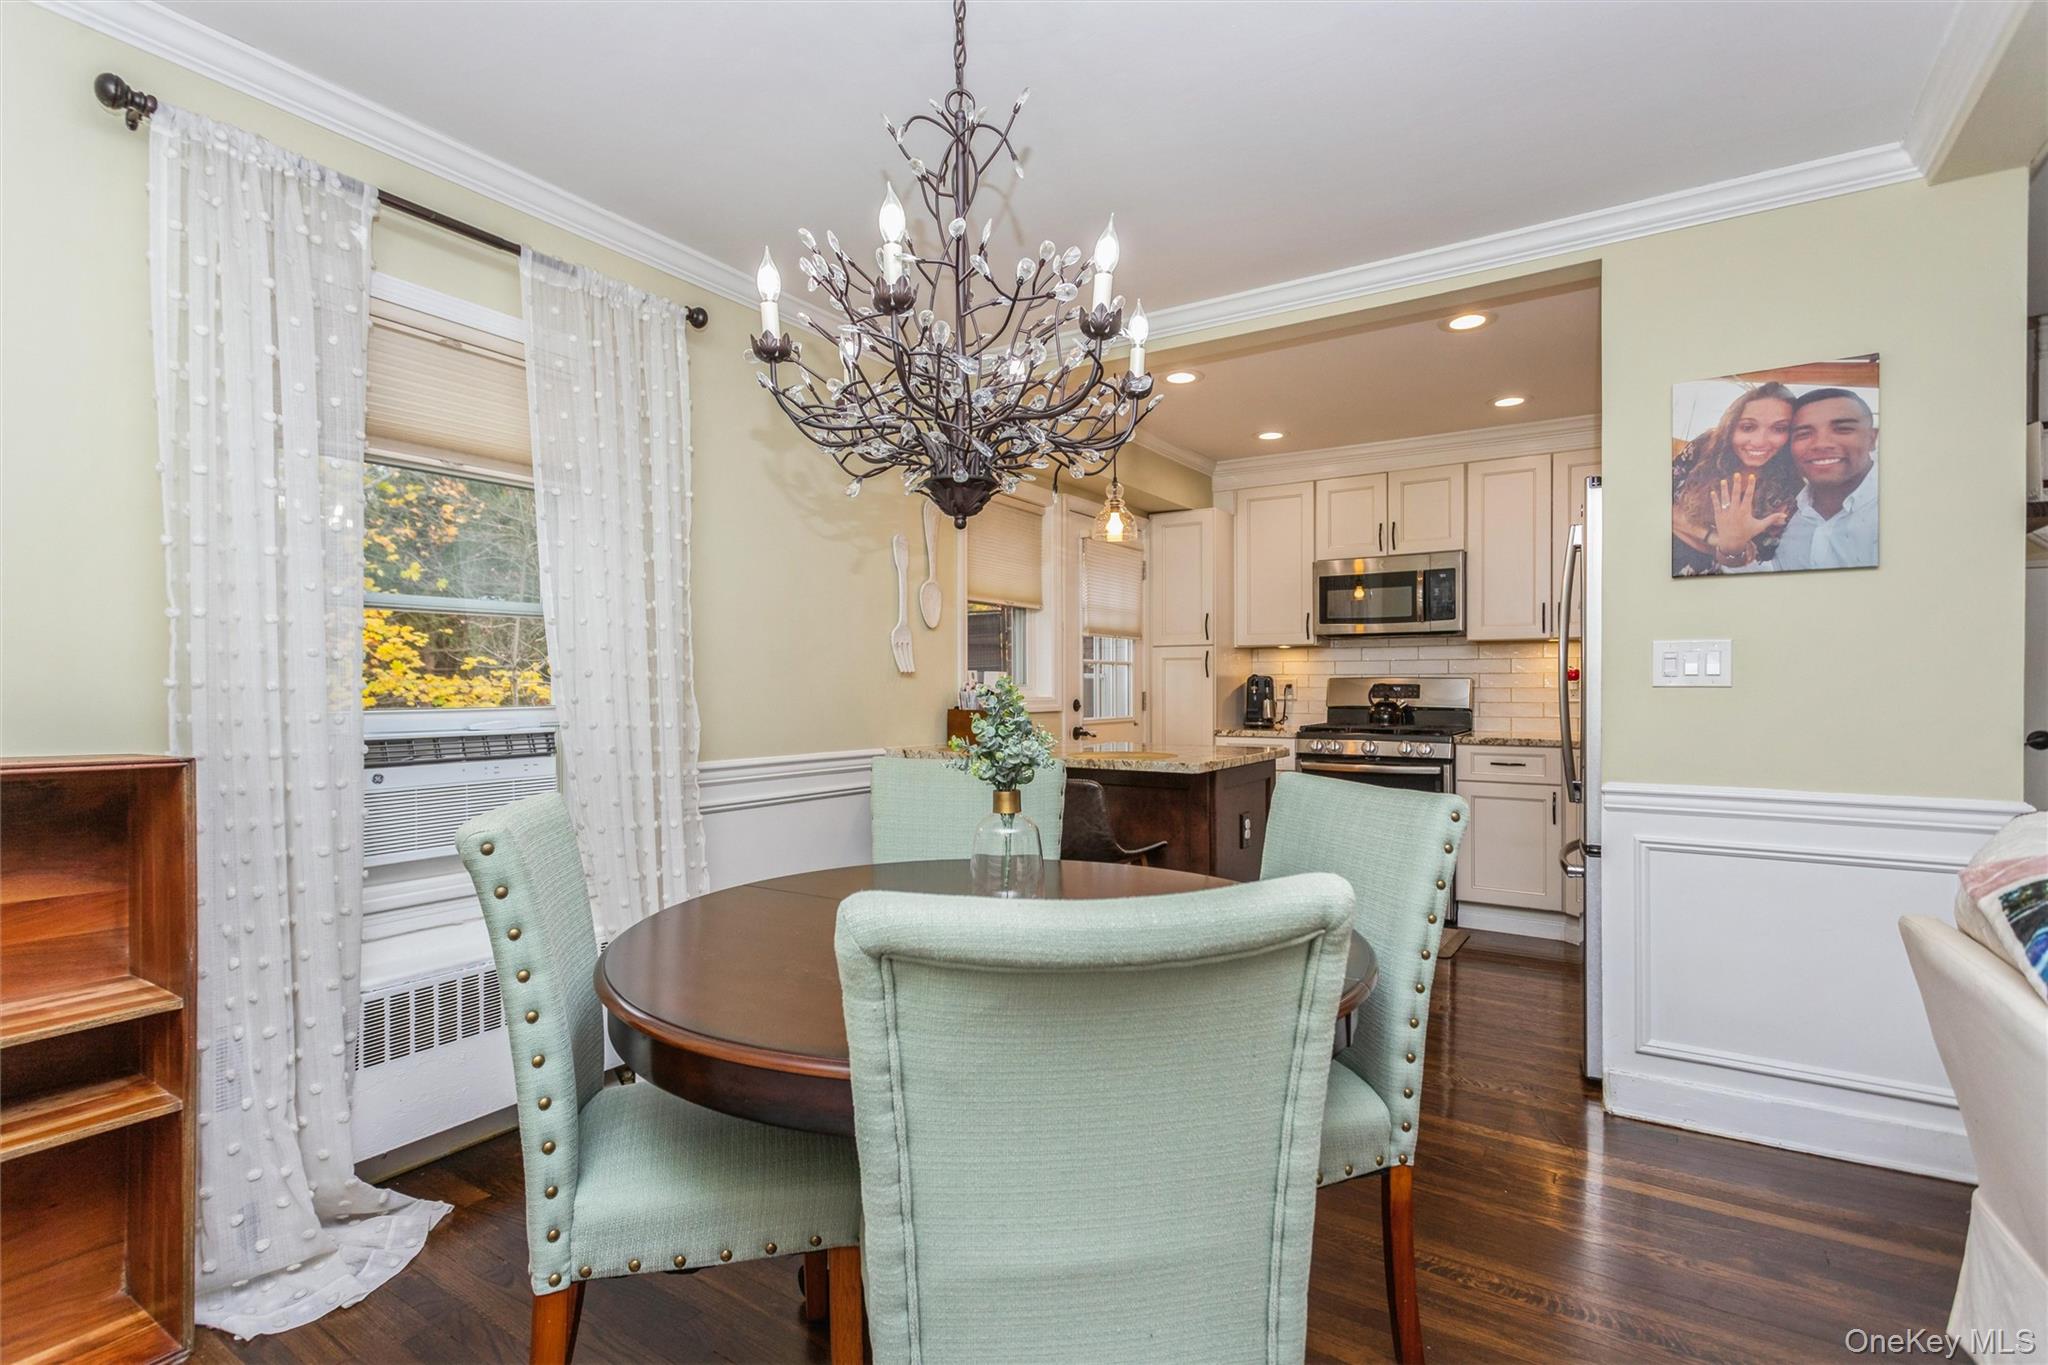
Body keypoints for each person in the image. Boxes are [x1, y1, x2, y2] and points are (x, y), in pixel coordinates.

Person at [1717, 387, 1879, 572]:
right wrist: (1733, 548)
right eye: (1804, 433)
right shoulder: (1792, 512)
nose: (1821, 443)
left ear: (1872, 438)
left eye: (1842, 429)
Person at [1670, 382, 1802, 575]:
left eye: (1779, 429)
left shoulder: (1790, 488)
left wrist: (1682, 525)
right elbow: (1655, 502)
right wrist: (1715, 539)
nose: (1759, 442)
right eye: (1748, 427)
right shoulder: (1704, 447)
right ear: (1730, 427)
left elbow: (1749, 559)